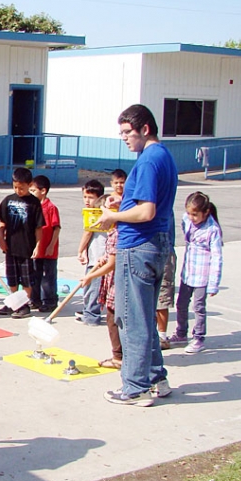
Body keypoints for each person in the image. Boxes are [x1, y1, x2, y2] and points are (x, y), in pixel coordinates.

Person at [95, 104, 178, 407]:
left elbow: (146, 211)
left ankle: (135, 386)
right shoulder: (164, 156)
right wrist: (122, 203)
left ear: (145, 129)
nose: (125, 139)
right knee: (143, 315)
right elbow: (146, 204)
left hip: (138, 245)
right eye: (121, 134)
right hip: (158, 244)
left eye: (128, 133)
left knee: (131, 319)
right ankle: (156, 378)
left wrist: (112, 217)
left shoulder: (147, 161)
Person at [168, 192, 223, 354]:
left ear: (206, 212)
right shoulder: (187, 220)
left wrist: (213, 284)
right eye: (189, 213)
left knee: (198, 307)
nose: (191, 217)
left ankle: (198, 337)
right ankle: (181, 332)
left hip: (202, 276)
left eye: (195, 214)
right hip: (188, 273)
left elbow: (217, 258)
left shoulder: (212, 230)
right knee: (181, 304)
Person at [0, 167, 44, 318]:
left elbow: (38, 227)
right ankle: (13, 302)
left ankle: (23, 305)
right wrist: (2, 239)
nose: (18, 190)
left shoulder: (34, 203)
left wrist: (38, 245)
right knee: (12, 276)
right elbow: (1, 223)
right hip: (10, 247)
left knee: (27, 278)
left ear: (29, 185)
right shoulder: (8, 200)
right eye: (15, 187)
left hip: (27, 248)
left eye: (21, 188)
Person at [80, 195, 122, 369]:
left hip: (118, 284)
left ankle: (119, 357)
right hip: (114, 282)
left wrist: (91, 276)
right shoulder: (114, 230)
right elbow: (110, 257)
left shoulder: (116, 232)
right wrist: (103, 258)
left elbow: (113, 264)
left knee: (114, 319)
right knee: (114, 318)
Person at [29, 174, 61, 312]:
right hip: (36, 249)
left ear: (43, 191)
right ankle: (35, 299)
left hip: (48, 250)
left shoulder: (51, 207)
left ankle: (50, 301)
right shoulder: (32, 206)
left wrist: (51, 245)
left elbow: (56, 228)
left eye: (33, 191)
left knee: (48, 276)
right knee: (35, 275)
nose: (31, 194)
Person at [76, 179, 106, 326]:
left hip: (100, 256)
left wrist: (80, 250)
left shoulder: (96, 212)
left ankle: (92, 315)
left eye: (91, 197)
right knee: (89, 286)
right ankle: (88, 310)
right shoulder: (93, 211)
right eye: (85, 197)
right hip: (94, 254)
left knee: (93, 286)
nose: (87, 200)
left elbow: (87, 232)